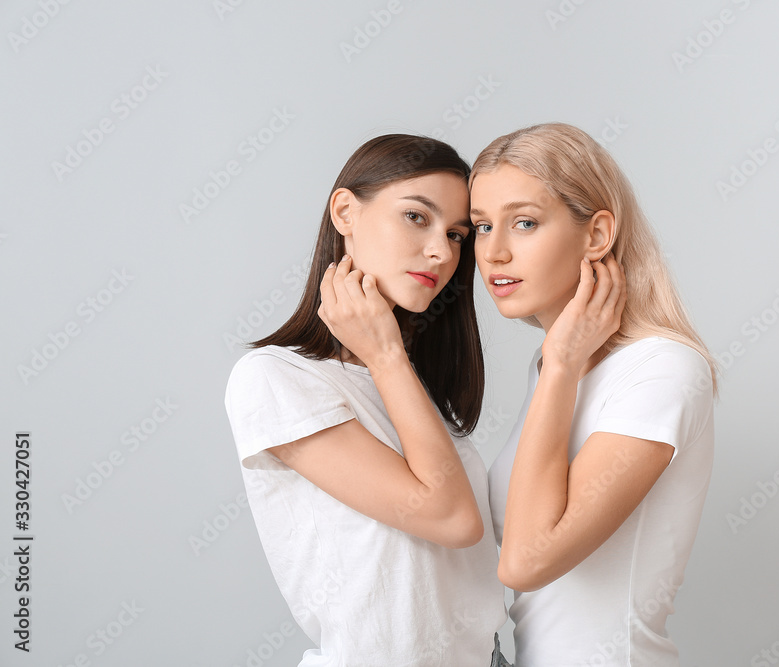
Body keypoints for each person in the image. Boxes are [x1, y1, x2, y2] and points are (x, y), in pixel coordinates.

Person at [224, 134, 509, 666]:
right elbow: (451, 518)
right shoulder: (272, 379)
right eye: (416, 217)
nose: (442, 252)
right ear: (346, 211)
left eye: (456, 234)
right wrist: (385, 354)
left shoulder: (406, 384)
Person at [469, 122, 719, 666]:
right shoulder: (556, 368)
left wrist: (562, 365)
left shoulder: (661, 370)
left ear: (597, 234)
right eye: (482, 227)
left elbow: (526, 563)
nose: (495, 252)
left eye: (525, 223)